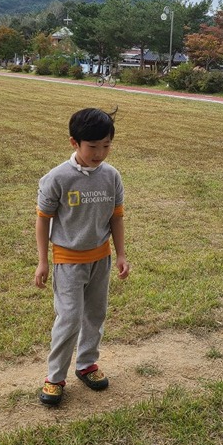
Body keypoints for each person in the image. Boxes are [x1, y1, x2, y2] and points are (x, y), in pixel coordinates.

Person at [34, 107, 130, 406]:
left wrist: (122, 254)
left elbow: (116, 218)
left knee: (95, 315)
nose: (100, 153)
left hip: (101, 260)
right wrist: (43, 260)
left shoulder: (111, 176)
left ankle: (86, 364)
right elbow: (43, 219)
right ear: (74, 142)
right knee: (70, 318)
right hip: (68, 261)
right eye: (93, 147)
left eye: (106, 146)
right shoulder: (57, 178)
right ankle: (55, 377)